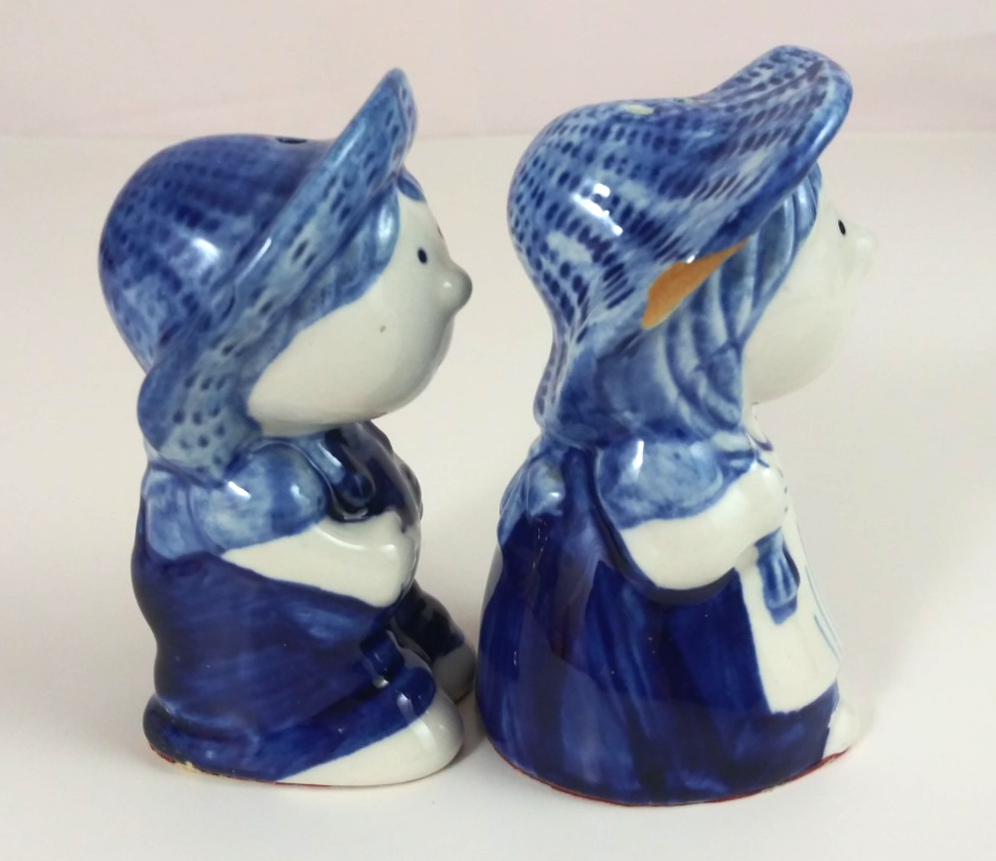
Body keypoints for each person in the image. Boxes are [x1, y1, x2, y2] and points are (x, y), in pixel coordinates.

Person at [477, 46, 877, 804]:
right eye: (832, 232)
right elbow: (672, 556)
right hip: (661, 720)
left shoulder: (694, 438)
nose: (863, 246)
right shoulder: (648, 465)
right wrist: (746, 510)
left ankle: (803, 723)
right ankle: (760, 746)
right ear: (697, 302)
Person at [100, 71, 474, 785]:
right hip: (268, 674)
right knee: (417, 722)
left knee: (434, 646)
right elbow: (350, 570)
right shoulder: (238, 490)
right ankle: (270, 732)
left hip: (354, 619)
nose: (456, 284)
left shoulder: (326, 433)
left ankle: (397, 647)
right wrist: (382, 552)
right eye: (421, 262)